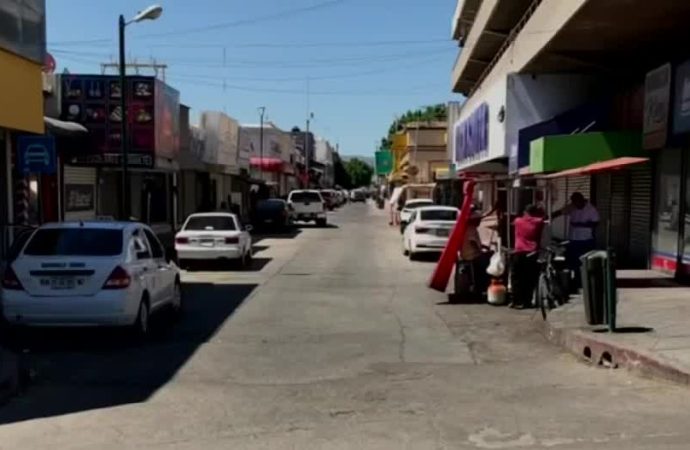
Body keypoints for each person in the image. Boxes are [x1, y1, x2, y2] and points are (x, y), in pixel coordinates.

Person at [555, 192, 600, 288]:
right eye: (574, 203)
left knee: (584, 262)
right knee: (574, 263)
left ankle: (585, 281)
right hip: (574, 239)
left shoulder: (591, 209)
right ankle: (576, 281)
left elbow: (595, 223)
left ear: (582, 200)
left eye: (577, 202)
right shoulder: (572, 207)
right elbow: (559, 212)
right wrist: (548, 217)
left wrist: (580, 225)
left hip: (586, 240)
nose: (575, 205)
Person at [510, 204, 546, 309]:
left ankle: (516, 301)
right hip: (532, 253)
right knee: (529, 279)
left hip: (519, 252)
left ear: (525, 212)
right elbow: (545, 217)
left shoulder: (518, 221)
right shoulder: (538, 222)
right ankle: (527, 301)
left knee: (516, 278)